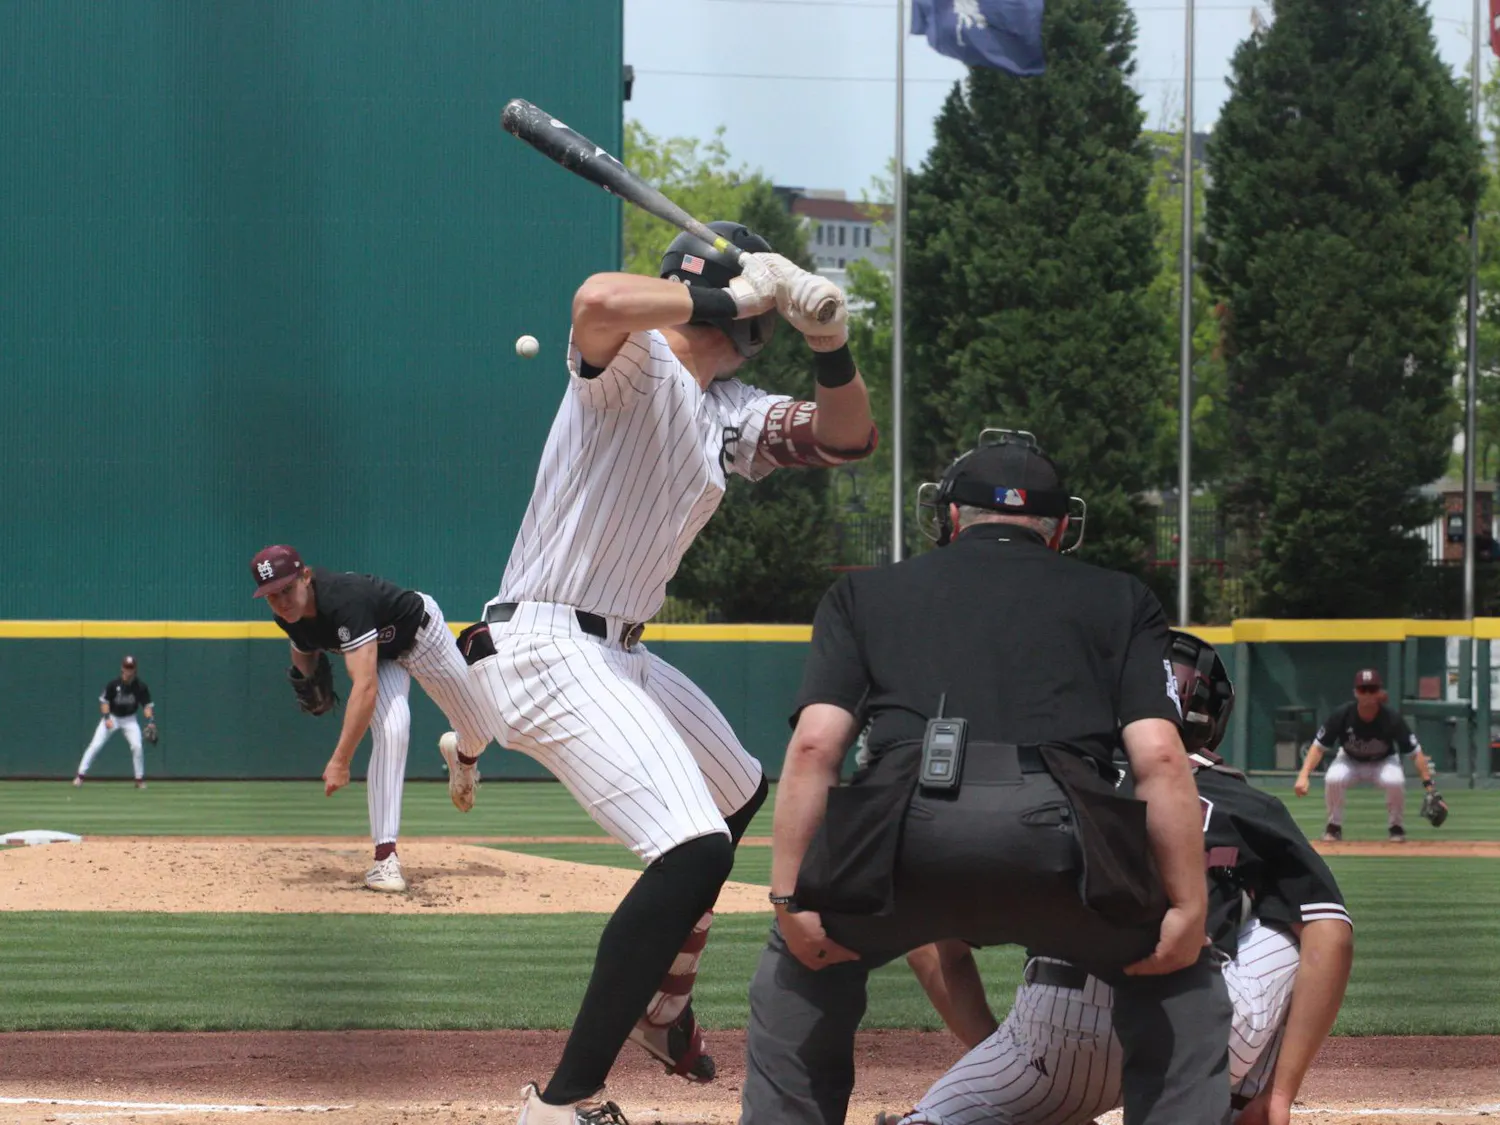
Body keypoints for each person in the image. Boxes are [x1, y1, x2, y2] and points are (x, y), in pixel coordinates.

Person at [453, 221, 876, 1125]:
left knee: (736, 789)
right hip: (546, 641)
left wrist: (830, 338)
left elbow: (850, 438)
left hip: (619, 650)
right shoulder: (634, 357)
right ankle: (563, 1102)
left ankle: (663, 1001)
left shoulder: (733, 409)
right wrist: (741, 296)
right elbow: (599, 300)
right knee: (693, 849)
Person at [741, 430, 1229, 1125]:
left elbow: (815, 746)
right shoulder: (1122, 597)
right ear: (1061, 526)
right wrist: (1185, 908)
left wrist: (791, 898)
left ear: (946, 518)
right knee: (1183, 981)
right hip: (1064, 845)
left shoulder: (862, 594)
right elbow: (1160, 758)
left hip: (902, 843)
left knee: (800, 970)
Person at [885, 630, 1355, 1125]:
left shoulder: (1050, 780)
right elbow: (1334, 937)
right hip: (1196, 1038)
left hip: (1056, 1034)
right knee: (1299, 918)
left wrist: (1004, 1055)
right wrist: (1281, 1096)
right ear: (1209, 714)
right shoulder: (1244, 802)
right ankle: (1245, 1106)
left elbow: (925, 941)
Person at [249, 545, 492, 892]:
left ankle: (463, 756)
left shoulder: (343, 599)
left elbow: (364, 689)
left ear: (306, 576)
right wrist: (305, 678)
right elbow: (303, 649)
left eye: (287, 589)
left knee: (480, 732)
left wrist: (341, 760)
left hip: (422, 637)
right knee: (393, 729)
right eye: (272, 596)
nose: (282, 601)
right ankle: (385, 859)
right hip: (380, 656)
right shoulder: (288, 616)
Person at [1295, 668, 1435, 843]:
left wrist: (1430, 786)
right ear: (1356, 692)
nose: (1367, 694)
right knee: (1333, 778)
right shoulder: (1343, 715)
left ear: (1379, 692)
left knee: (1395, 781)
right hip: (1349, 760)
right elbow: (1318, 747)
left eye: (1372, 689)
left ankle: (1396, 827)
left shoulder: (1391, 718)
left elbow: (1415, 753)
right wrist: (1303, 776)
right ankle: (1334, 827)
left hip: (1383, 761)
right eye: (1363, 689)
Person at [73, 655, 156, 789]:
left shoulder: (141, 687)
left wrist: (151, 721)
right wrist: (106, 718)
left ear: (135, 670)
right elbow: (104, 703)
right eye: (126, 668)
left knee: (137, 746)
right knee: (95, 745)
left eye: (131, 668)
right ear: (122, 668)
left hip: (130, 720)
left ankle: (139, 780)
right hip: (113, 717)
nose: (128, 671)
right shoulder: (113, 685)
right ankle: (80, 776)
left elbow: (147, 706)